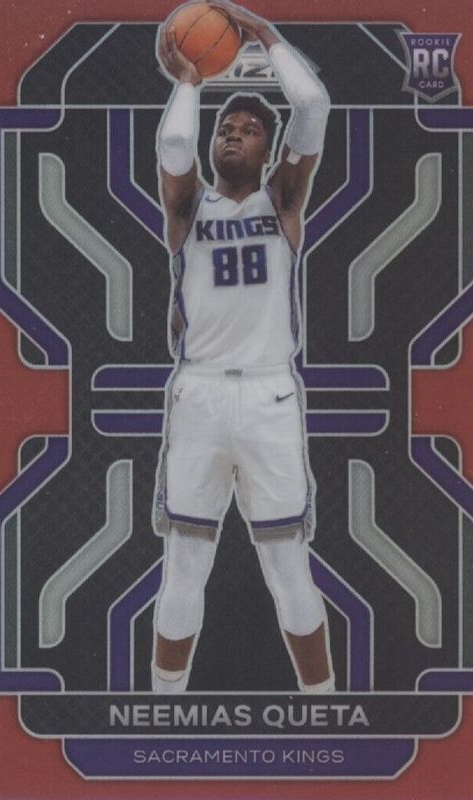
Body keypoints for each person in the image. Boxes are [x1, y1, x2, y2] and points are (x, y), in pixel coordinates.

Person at [151, 0, 334, 694]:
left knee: (288, 567)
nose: (233, 135)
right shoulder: (187, 208)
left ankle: (321, 703)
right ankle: (166, 709)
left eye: (250, 129)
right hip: (197, 393)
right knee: (183, 566)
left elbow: (312, 106)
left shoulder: (282, 202)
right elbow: (174, 145)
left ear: (268, 152)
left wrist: (268, 37)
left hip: (268, 395)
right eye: (226, 128)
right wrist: (190, 81)